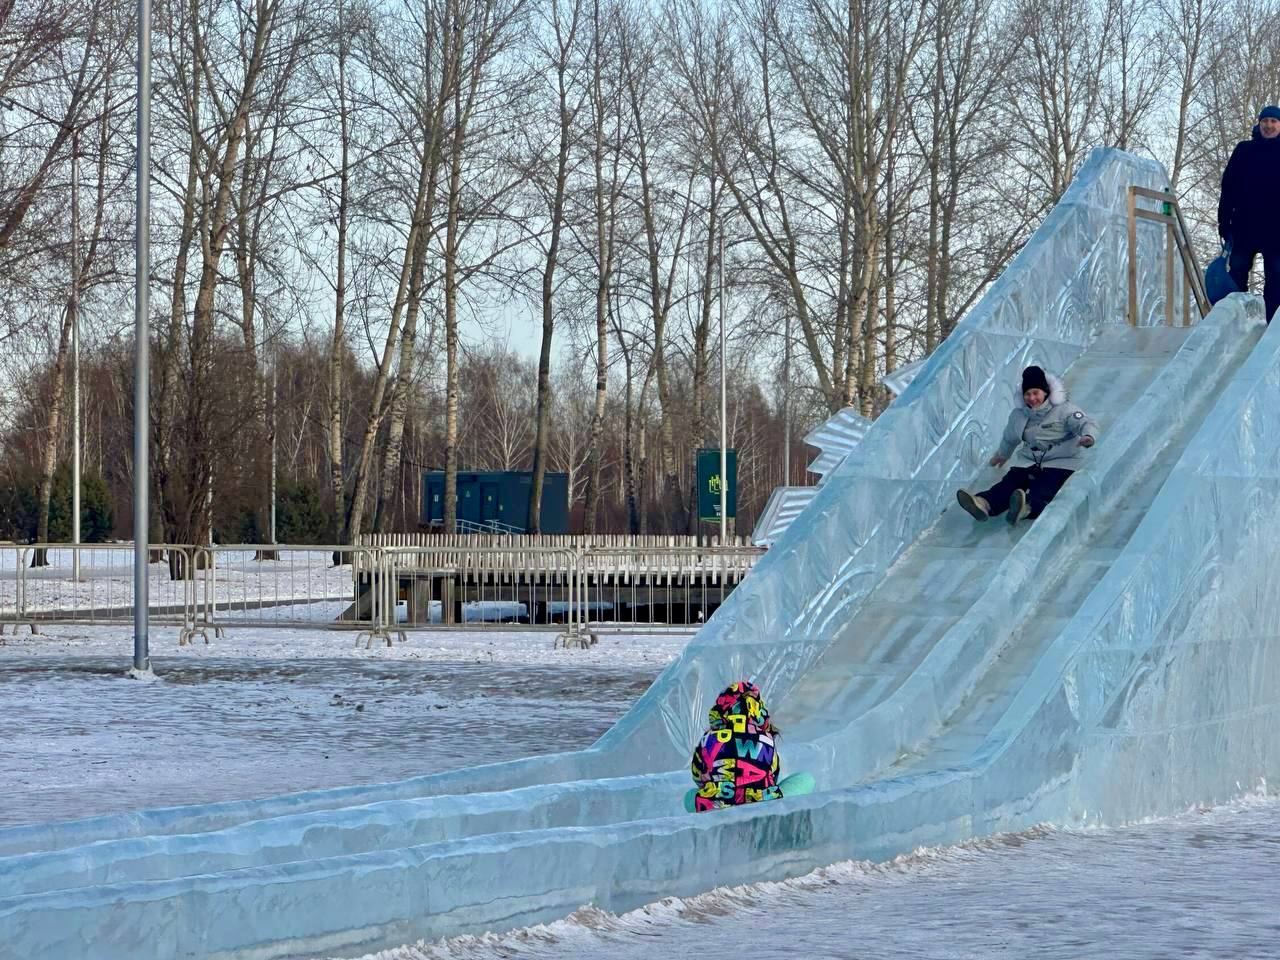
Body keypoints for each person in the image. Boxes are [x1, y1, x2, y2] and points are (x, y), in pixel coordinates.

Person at [955, 365, 1097, 526]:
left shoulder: (1064, 410)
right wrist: (1002, 454)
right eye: (1027, 394)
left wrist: (1088, 436)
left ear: (1046, 392)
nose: (1031, 398)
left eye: (1035, 393)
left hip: (1061, 463)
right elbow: (1010, 438)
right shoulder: (1019, 415)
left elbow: (1085, 422)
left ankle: (1026, 508)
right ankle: (984, 503)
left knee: (1044, 488)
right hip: (1029, 462)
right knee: (1009, 483)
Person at [1218, 105, 1280, 322]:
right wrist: (1223, 222)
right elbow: (1228, 187)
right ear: (1259, 124)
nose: (1269, 125)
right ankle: (1236, 322)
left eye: (1274, 121)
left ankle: (1272, 328)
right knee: (1237, 274)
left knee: (1276, 278)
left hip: (1275, 230)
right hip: (1244, 227)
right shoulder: (1244, 150)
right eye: (1266, 121)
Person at [690, 680, 783, 812]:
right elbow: (774, 775)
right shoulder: (767, 739)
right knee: (804, 780)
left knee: (690, 795)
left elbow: (698, 777)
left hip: (716, 808)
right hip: (761, 807)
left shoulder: (708, 739)